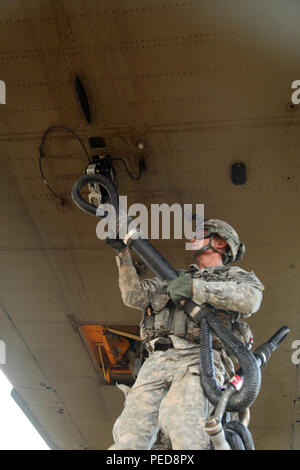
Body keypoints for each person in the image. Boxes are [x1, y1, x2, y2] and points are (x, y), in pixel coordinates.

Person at [106, 219, 264, 450]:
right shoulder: (172, 277)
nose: (191, 239)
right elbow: (134, 296)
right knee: (130, 436)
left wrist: (195, 289)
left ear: (219, 242)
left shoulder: (233, 276)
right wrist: (123, 255)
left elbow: (250, 299)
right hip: (156, 362)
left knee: (183, 425)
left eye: (200, 234)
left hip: (199, 360)